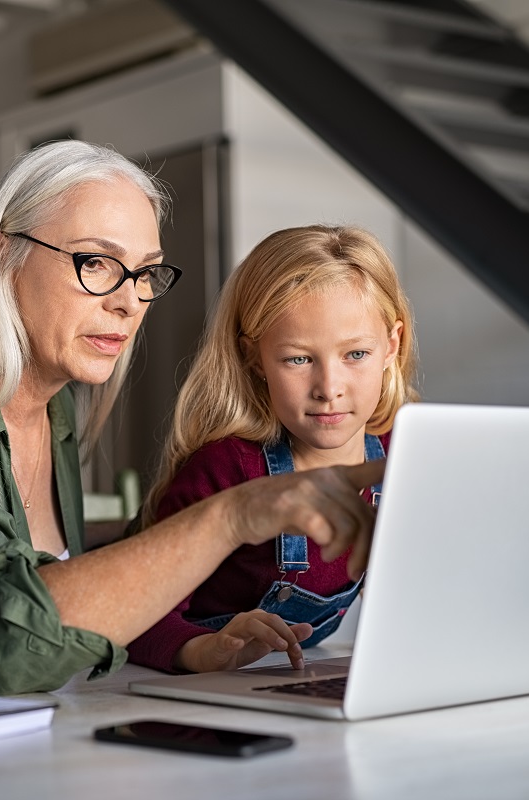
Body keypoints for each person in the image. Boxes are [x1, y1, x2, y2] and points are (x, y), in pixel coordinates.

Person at [0, 141, 385, 695]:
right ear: (6, 255)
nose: (128, 301)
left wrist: (204, 641)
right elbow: (2, 643)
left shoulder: (52, 412)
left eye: (143, 273)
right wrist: (235, 514)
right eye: (96, 263)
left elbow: (69, 617)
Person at [126, 225, 415, 675]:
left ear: (391, 347)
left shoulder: (405, 455)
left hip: (295, 677)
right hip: (204, 687)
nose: (329, 389)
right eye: (298, 359)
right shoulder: (223, 470)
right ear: (253, 358)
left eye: (355, 354)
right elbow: (137, 621)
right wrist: (209, 652)